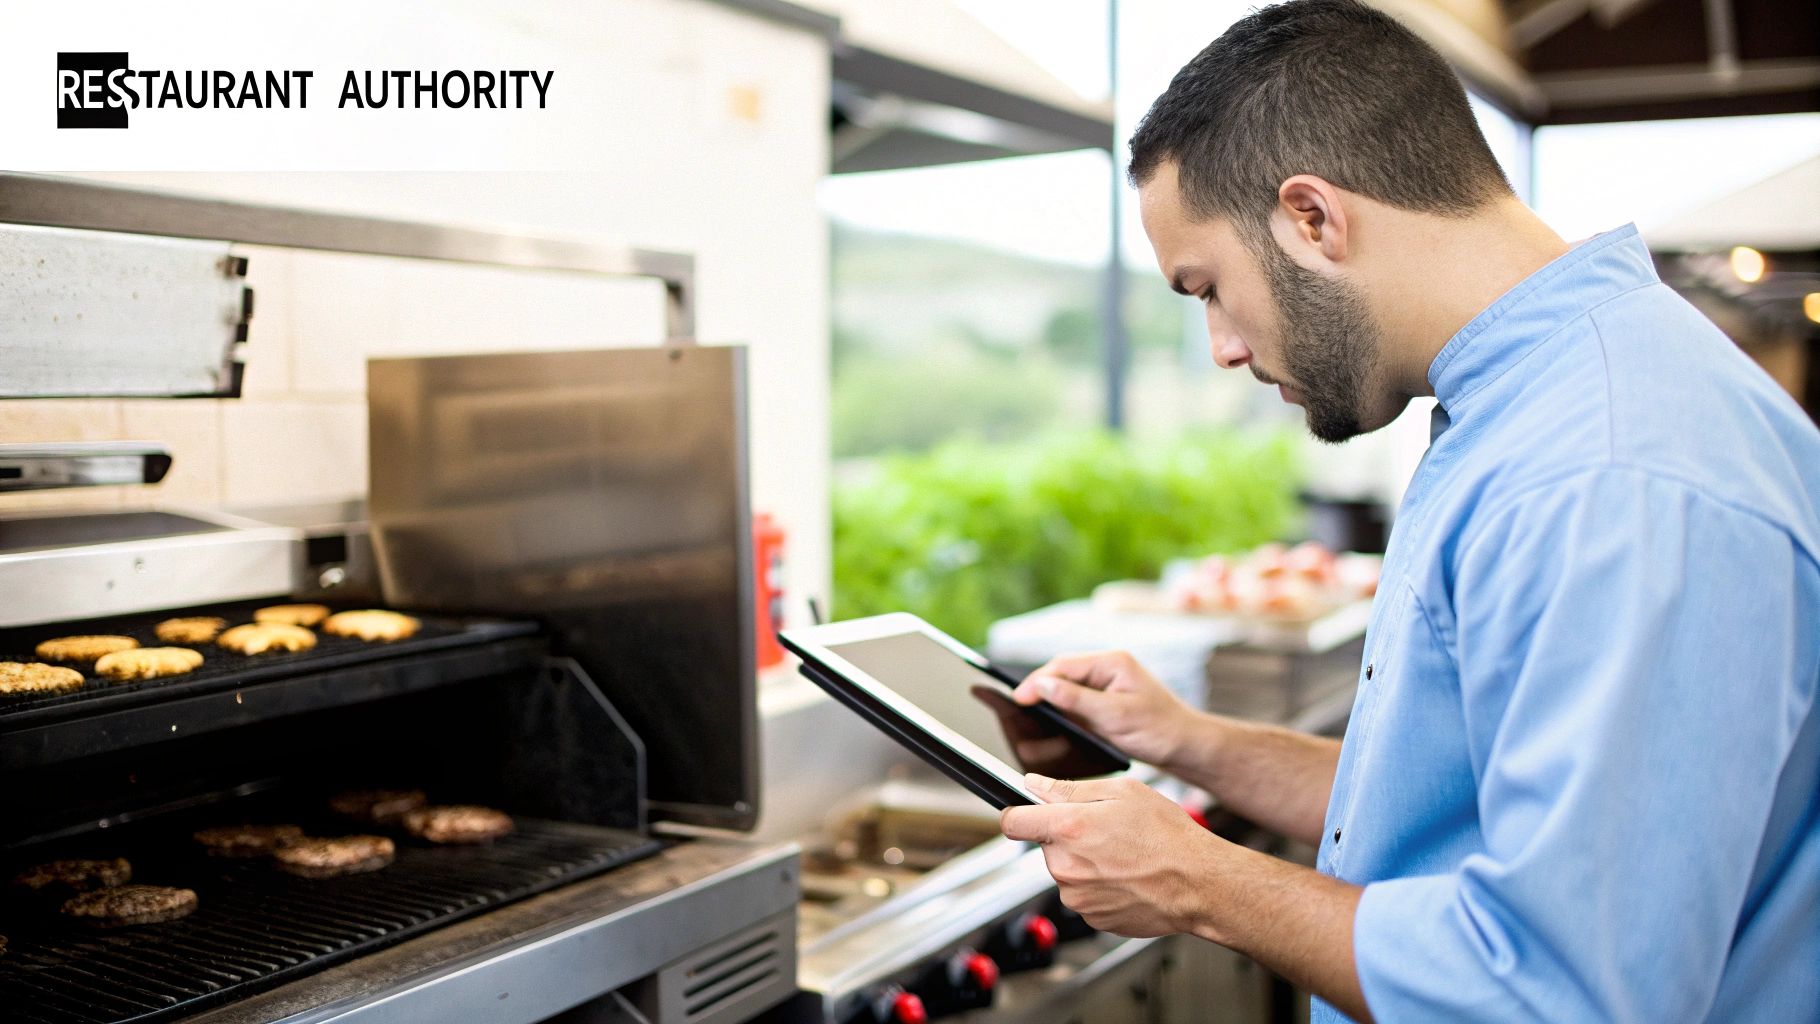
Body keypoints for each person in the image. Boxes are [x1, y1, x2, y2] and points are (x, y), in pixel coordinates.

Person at [995, 1, 1820, 1021]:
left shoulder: (1605, 473)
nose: (1219, 345)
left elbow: (1563, 991)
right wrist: (1185, 739)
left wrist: (1194, 881)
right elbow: (1464, 806)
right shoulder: (1535, 410)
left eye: (1206, 287)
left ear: (1311, 217)